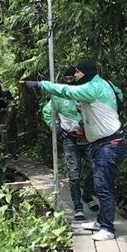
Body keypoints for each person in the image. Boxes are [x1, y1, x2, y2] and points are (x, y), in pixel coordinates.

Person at [23, 59, 127, 241]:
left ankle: (108, 229)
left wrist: (41, 85)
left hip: (109, 144)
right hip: (102, 142)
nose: (75, 75)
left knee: (103, 186)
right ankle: (101, 222)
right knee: (99, 183)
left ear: (86, 73)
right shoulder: (104, 84)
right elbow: (119, 95)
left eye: (77, 72)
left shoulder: (92, 88)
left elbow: (66, 91)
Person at [42, 66, 99, 221]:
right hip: (70, 140)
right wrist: (56, 127)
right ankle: (78, 207)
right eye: (67, 79)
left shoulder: (87, 92)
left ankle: (87, 195)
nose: (70, 82)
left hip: (89, 139)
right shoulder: (60, 96)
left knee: (96, 168)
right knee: (74, 174)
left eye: (72, 78)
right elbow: (47, 112)